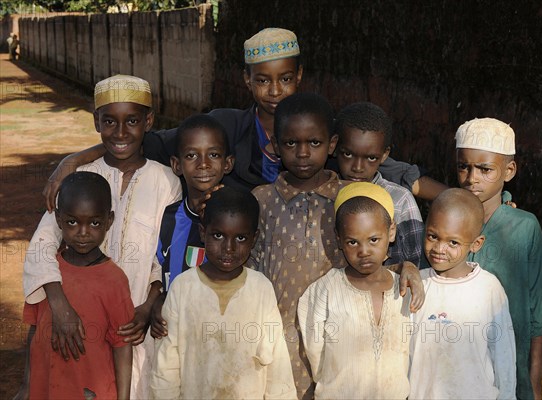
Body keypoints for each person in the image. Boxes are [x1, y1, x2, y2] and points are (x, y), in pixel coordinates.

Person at [41, 28, 447, 209]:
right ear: (246, 81)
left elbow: (391, 168)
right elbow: (142, 141)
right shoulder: (224, 126)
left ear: (299, 77)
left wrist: (465, 200)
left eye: (285, 79)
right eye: (263, 81)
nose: (275, 92)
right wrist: (73, 160)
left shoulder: (318, 129)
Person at [250, 92, 423, 399]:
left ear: (330, 145)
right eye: (291, 143)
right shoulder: (262, 201)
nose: (303, 153)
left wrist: (404, 265)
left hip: (337, 349)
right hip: (273, 342)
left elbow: (372, 258)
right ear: (275, 147)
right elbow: (248, 268)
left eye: (314, 143)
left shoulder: (351, 197)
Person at [22, 75, 182, 399]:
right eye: (109, 121)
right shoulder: (80, 177)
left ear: (148, 121)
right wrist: (60, 304)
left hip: (136, 325)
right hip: (78, 324)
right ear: (96, 121)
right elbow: (43, 243)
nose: (120, 133)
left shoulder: (167, 181)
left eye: (132, 121)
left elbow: (165, 254)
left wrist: (148, 306)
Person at [455, 117, 542, 399]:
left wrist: (534, 383)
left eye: (485, 169)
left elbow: (538, 313)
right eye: (463, 167)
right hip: (453, 364)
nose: (472, 178)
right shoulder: (446, 221)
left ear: (509, 170)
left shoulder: (523, 227)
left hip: (507, 368)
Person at [150, 187, 297, 399]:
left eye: (240, 238)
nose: (229, 248)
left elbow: (277, 363)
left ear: (254, 239)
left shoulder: (260, 288)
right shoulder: (182, 287)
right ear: (203, 233)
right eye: (218, 235)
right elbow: (166, 366)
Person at [297, 182, 422, 399]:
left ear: (391, 232)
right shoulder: (325, 290)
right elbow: (315, 353)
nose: (364, 251)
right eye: (352, 242)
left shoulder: (405, 289)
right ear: (339, 239)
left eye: (374, 240)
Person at [20, 171, 135, 399]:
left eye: (94, 223)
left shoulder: (114, 280)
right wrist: (26, 386)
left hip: (90, 391)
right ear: (59, 219)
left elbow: (122, 345)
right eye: (72, 222)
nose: (83, 233)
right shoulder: (47, 273)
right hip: (44, 388)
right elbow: (34, 330)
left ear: (109, 221)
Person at [408, 188, 516, 399]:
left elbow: (503, 354)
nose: (439, 248)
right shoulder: (417, 284)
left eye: (453, 242)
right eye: (433, 236)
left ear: (476, 244)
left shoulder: (488, 289)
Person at [150, 113, 234, 339]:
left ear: (228, 163)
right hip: (174, 338)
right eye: (191, 155)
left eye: (213, 154)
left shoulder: (238, 217)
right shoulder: (166, 218)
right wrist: (158, 300)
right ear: (176, 165)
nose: (203, 164)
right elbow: (157, 270)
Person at [334, 102, 426, 268]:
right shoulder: (324, 196)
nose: (358, 167)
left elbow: (417, 263)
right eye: (348, 154)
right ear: (333, 147)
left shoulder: (399, 200)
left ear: (384, 155)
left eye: (370, 158)